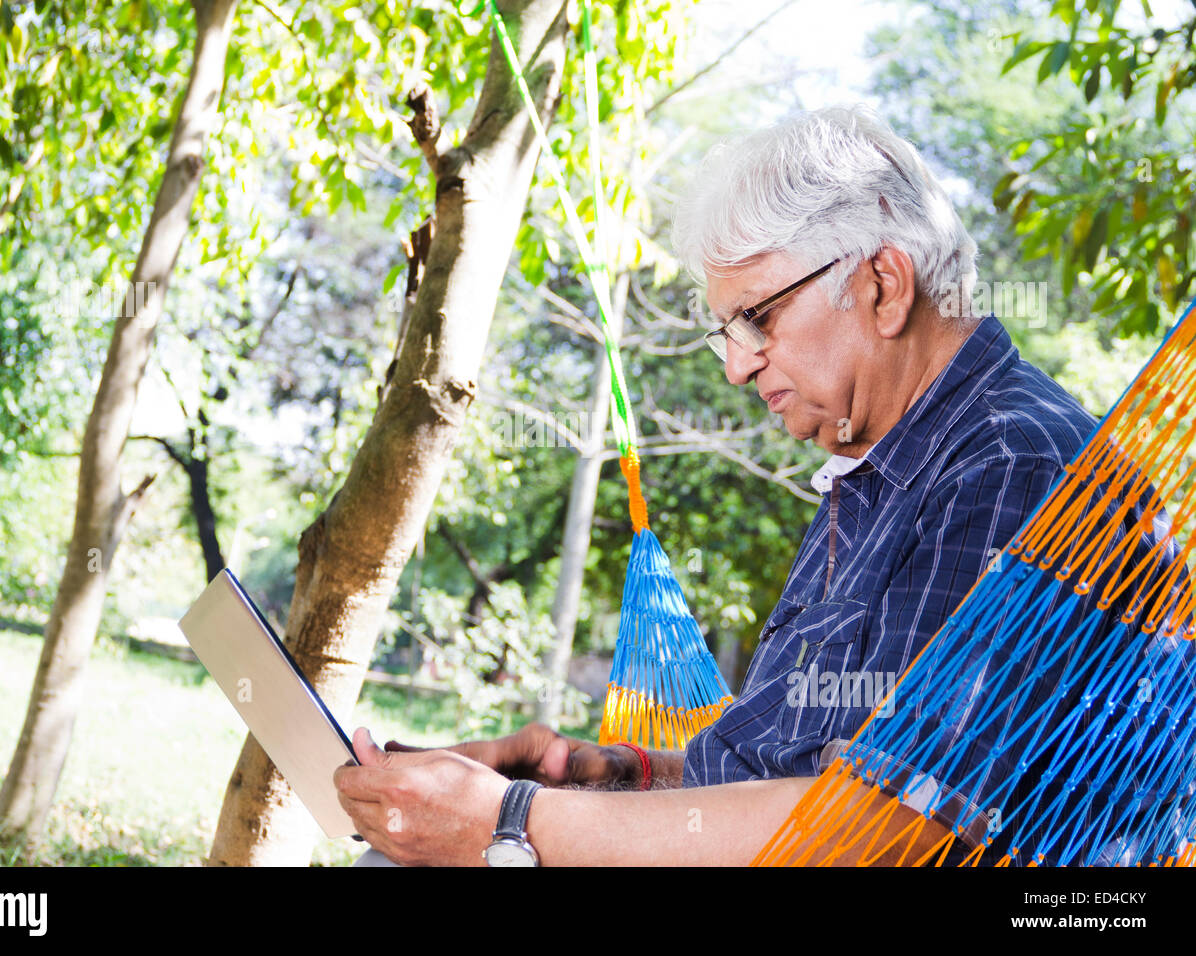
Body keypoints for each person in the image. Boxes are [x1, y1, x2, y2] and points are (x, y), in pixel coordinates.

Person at [334, 104, 1167, 866]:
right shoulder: (874, 464)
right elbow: (789, 771)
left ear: (882, 284)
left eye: (757, 318)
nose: (736, 367)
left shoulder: (1012, 466)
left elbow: (899, 829)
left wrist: (514, 820)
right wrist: (617, 772)